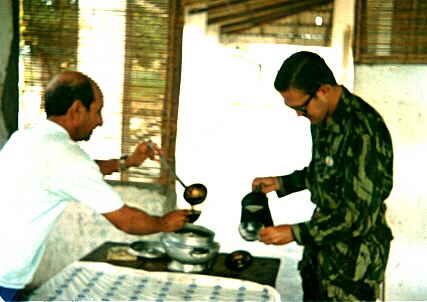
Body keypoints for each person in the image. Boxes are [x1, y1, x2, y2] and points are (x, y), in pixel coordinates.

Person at [0, 71, 190, 301]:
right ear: (78, 109)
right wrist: (165, 223)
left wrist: (127, 162)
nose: (100, 121)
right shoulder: (67, 157)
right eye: (97, 111)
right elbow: (127, 221)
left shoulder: (26, 137)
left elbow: (77, 171)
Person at [252, 51, 393, 301]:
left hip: (352, 265)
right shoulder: (324, 117)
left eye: (301, 108)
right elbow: (328, 171)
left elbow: (356, 215)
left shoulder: (363, 131)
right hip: (323, 252)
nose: (298, 115)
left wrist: (295, 233)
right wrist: (284, 183)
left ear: (324, 90)